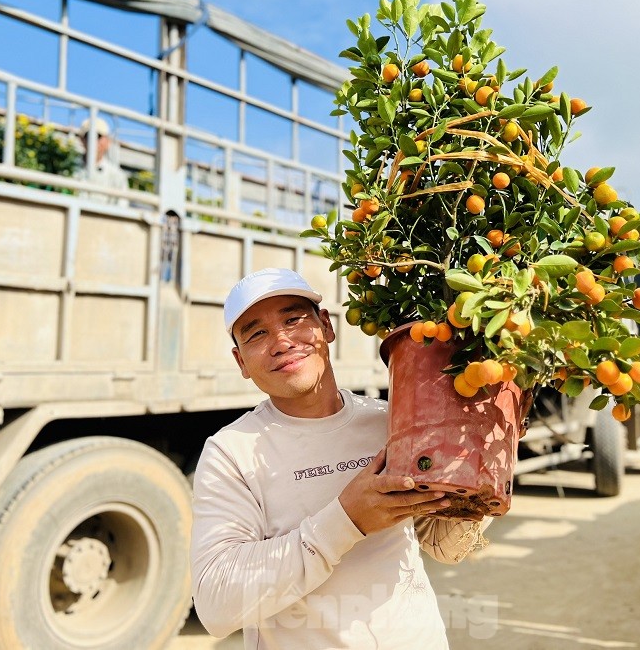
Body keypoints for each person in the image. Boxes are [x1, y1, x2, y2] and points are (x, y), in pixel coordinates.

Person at [190, 268, 488, 649]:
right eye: (257, 333)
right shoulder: (231, 451)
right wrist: (346, 521)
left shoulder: (391, 421)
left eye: (293, 319)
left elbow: (441, 545)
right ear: (241, 362)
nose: (281, 341)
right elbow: (216, 605)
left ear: (326, 327)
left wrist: (478, 463)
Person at [74, 116, 129, 206]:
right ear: (81, 139)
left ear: (107, 141)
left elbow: (121, 209)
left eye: (97, 136)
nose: (93, 141)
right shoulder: (68, 168)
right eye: (89, 136)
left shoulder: (117, 176)